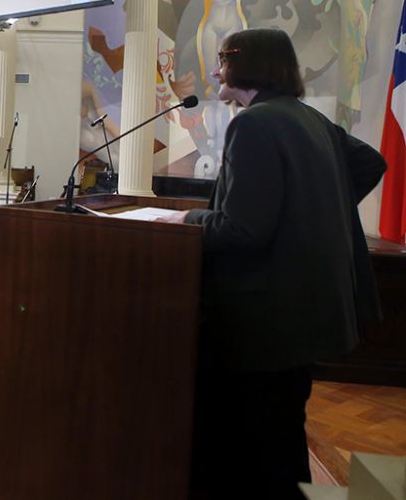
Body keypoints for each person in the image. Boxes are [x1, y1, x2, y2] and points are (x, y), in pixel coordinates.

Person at [155, 28, 386, 499]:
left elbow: (241, 230)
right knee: (280, 438)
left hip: (262, 321)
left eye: (223, 59)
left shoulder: (255, 123)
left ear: (247, 63)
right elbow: (370, 163)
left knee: (257, 444)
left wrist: (184, 217)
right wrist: (313, 215)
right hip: (301, 315)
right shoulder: (308, 119)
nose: (216, 70)